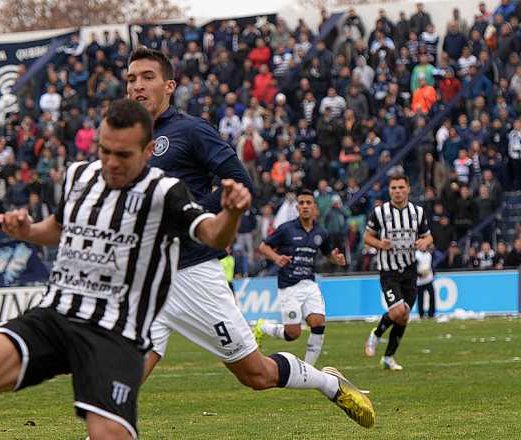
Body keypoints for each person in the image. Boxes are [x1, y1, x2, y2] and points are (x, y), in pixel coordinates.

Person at [0, 99, 262, 439]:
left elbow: (213, 235)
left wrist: (230, 213)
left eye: (123, 155)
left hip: (114, 333)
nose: (111, 163)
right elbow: (59, 228)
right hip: (56, 315)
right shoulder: (80, 174)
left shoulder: (166, 192)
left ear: (149, 150)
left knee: (107, 434)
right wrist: (28, 230)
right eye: (104, 151)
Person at [125, 46, 373, 429]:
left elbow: (239, 182)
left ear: (169, 85)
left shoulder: (189, 131)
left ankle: (328, 383)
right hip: (147, 278)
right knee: (123, 377)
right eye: (131, 79)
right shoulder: (127, 141)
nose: (137, 86)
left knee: (255, 375)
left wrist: (190, 211)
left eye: (147, 77)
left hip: (191, 274)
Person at [255, 190, 347, 366]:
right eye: (302, 203)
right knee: (292, 334)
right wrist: (276, 258)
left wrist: (335, 258)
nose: (305, 206)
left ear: (315, 208)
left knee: (318, 323)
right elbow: (263, 246)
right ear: (297, 207)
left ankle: (308, 369)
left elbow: (327, 253)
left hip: (309, 283)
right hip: (289, 287)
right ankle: (263, 326)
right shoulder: (286, 229)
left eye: (308, 203)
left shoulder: (321, 232)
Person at [363, 174, 433, 370]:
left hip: (410, 270)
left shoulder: (417, 212)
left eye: (401, 187)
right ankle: (376, 334)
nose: (398, 191)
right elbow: (367, 237)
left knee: (404, 316)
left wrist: (423, 242)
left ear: (408, 189)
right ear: (389, 190)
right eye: (394, 188)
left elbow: (429, 237)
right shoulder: (380, 212)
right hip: (389, 271)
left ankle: (388, 357)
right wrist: (380, 244)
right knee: (397, 311)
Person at [415, 244, 436, 319]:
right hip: (420, 281)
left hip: (428, 279)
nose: (423, 246)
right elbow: (414, 267)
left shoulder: (429, 255)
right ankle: (421, 314)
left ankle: (431, 314)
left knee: (432, 295)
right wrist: (419, 274)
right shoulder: (416, 255)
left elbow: (430, 266)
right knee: (420, 298)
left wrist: (432, 272)